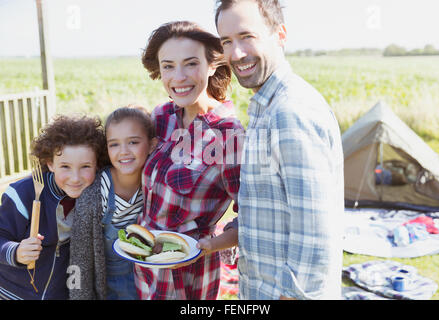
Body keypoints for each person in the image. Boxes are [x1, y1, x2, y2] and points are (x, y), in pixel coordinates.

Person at [215, 0, 345, 299]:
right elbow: (276, 208)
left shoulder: (290, 112)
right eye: (227, 41)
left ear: (280, 35)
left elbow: (315, 232)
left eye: (247, 36)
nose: (236, 54)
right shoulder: (266, 107)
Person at [135, 20, 244, 300]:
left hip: (187, 274)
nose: (179, 77)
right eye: (168, 66)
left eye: (191, 63)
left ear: (212, 64)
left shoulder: (228, 135)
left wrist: (208, 245)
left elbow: (254, 217)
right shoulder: (161, 117)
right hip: (145, 266)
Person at [0, 115, 108, 300]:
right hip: (12, 294)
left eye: (85, 166)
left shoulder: (94, 199)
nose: (75, 178)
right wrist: (16, 251)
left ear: (97, 165)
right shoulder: (23, 194)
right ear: (50, 163)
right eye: (65, 166)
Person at [69, 105, 156, 300]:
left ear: (152, 145)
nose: (123, 152)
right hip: (112, 290)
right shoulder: (95, 194)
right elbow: (79, 257)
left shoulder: (157, 185)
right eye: (114, 144)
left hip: (153, 285)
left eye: (133, 142)